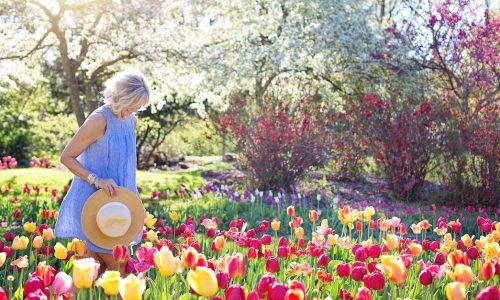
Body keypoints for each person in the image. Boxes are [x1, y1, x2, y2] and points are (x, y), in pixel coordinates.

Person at [54, 70, 150, 277]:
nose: (134, 110)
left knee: (92, 272)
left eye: (138, 107)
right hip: (96, 205)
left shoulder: (131, 121)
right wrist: (96, 180)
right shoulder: (99, 120)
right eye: (131, 104)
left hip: (119, 205)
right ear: (119, 96)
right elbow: (67, 157)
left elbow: (126, 166)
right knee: (119, 270)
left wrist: (135, 198)